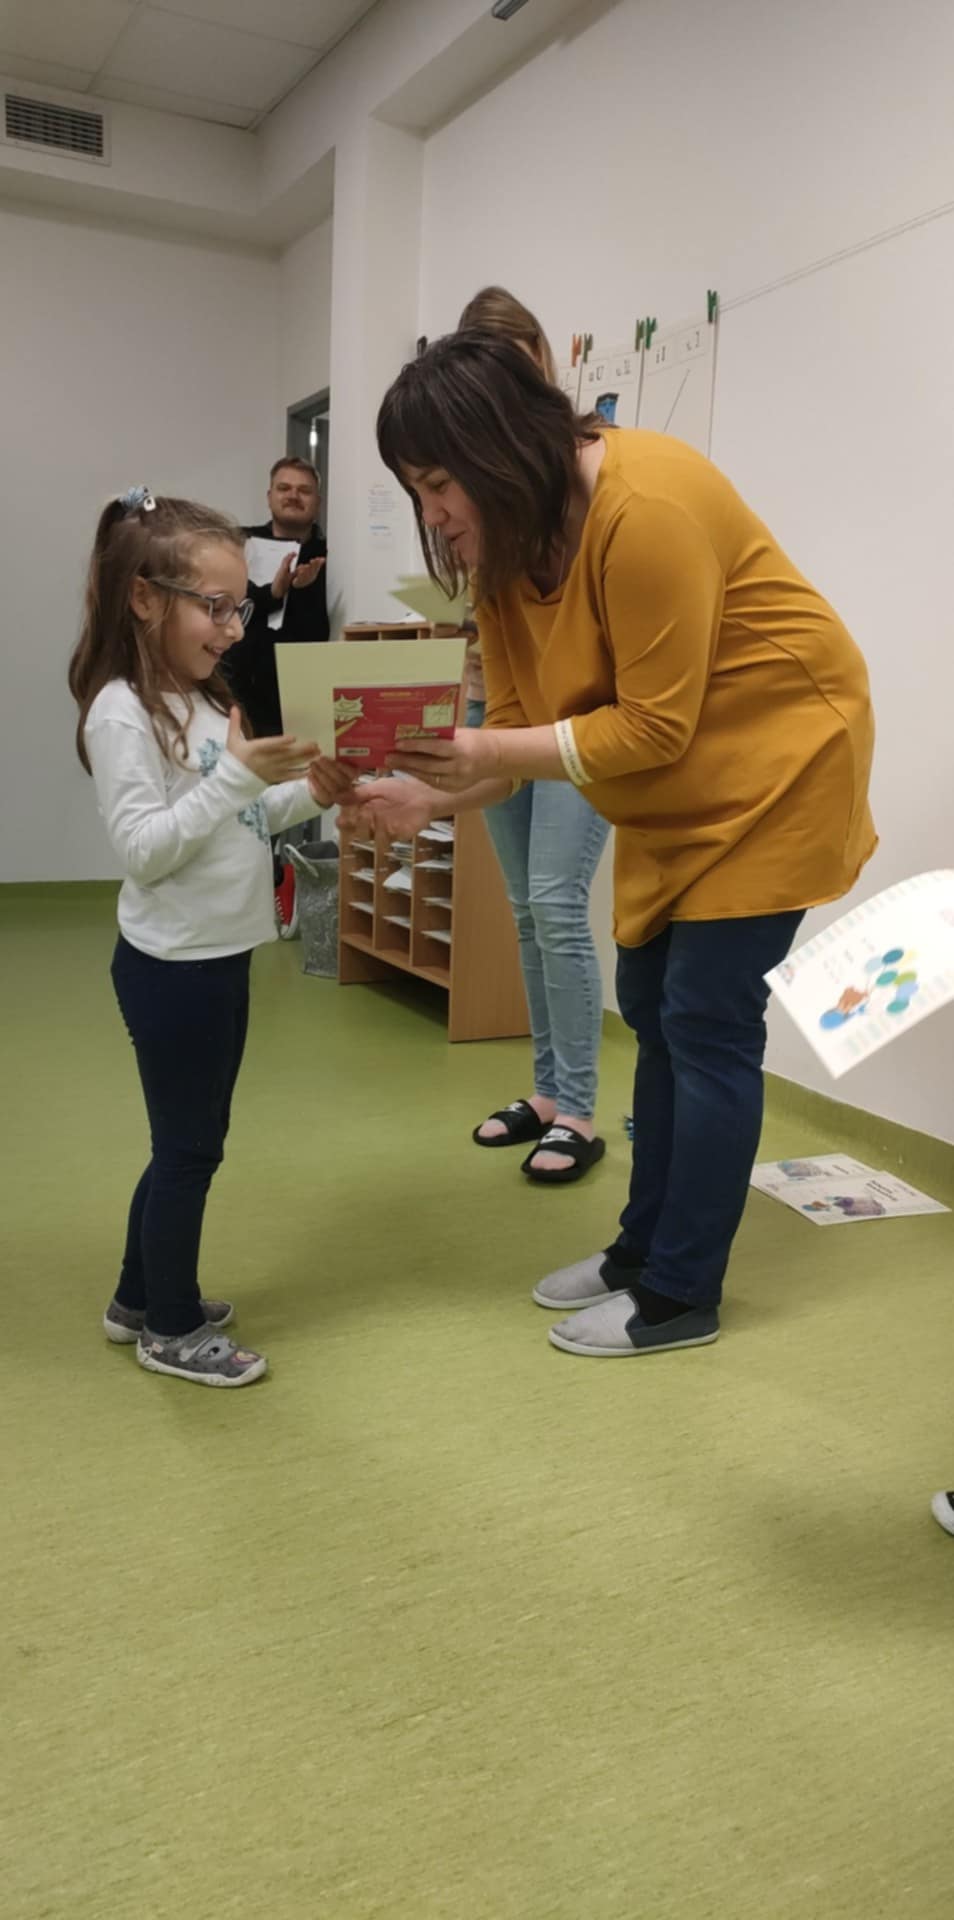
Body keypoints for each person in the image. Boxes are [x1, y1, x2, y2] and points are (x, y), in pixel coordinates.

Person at [344, 332, 876, 1358]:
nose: (433, 514)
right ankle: (642, 1253)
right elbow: (514, 740)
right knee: (650, 1003)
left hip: (785, 763)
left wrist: (477, 751)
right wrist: (425, 795)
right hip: (677, 787)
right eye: (417, 490)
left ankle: (680, 1293)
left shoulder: (648, 506)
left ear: (501, 447)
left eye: (440, 483)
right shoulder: (502, 555)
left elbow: (651, 728)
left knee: (705, 1017)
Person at [68, 486, 351, 1387]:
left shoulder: (194, 699)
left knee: (186, 1143)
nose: (233, 628)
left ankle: (136, 1299)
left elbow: (246, 814)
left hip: (220, 955)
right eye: (216, 607)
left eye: (241, 608)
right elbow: (145, 850)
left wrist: (310, 793)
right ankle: (172, 1327)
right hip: (171, 967)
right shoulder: (122, 709)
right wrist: (235, 777)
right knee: (190, 1149)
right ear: (144, 599)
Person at [456, 289, 610, 1183]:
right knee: (525, 907)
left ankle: (580, 1110)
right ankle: (549, 1093)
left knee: (556, 902)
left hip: (580, 717)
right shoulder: (480, 471)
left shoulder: (583, 464)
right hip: (497, 704)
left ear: (540, 359)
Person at [223, 456, 330, 932]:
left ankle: (283, 889)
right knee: (240, 798)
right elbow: (234, 605)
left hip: (299, 696)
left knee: (294, 798)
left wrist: (303, 590)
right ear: (269, 496)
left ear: (317, 502)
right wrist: (276, 590)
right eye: (284, 488)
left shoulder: (329, 553)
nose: (293, 496)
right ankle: (246, 894)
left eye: (303, 490)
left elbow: (318, 629)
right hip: (240, 693)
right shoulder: (240, 544)